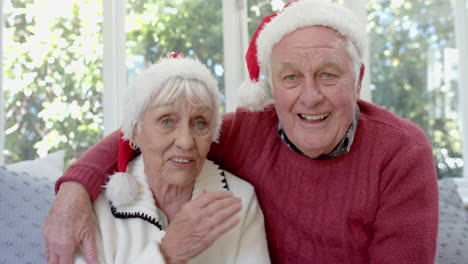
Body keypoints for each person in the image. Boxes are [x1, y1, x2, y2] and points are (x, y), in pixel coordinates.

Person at [43, 0, 439, 263]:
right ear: (271, 85)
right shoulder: (246, 132)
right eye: (290, 77)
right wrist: (74, 188)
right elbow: (150, 130)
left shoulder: (401, 151)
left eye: (329, 75)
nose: (310, 96)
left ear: (358, 81)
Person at [70, 55, 270, 263]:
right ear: (135, 131)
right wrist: (168, 254)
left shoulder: (240, 198)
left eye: (200, 124)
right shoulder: (98, 204)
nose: (186, 142)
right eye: (166, 121)